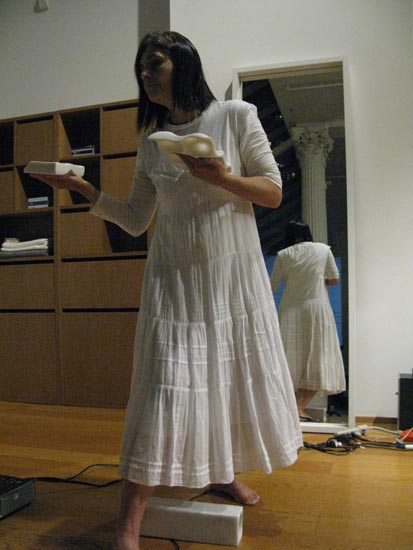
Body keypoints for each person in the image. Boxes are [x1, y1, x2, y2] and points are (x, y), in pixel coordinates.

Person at [32, 31, 302, 550]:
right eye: (141, 66)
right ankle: (128, 524)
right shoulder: (151, 140)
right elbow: (137, 219)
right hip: (174, 281)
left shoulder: (236, 116)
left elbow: (272, 192)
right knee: (162, 390)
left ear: (184, 64)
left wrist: (220, 177)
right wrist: (84, 189)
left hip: (231, 279)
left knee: (225, 378)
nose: (144, 74)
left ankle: (222, 473)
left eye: (154, 64)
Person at [270, 221, 346, 421]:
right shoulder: (323, 250)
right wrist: (318, 280)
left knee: (289, 360)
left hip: (291, 310)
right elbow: (334, 279)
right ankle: (298, 407)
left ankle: (292, 409)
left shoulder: (283, 255)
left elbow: (272, 286)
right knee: (319, 358)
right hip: (317, 308)